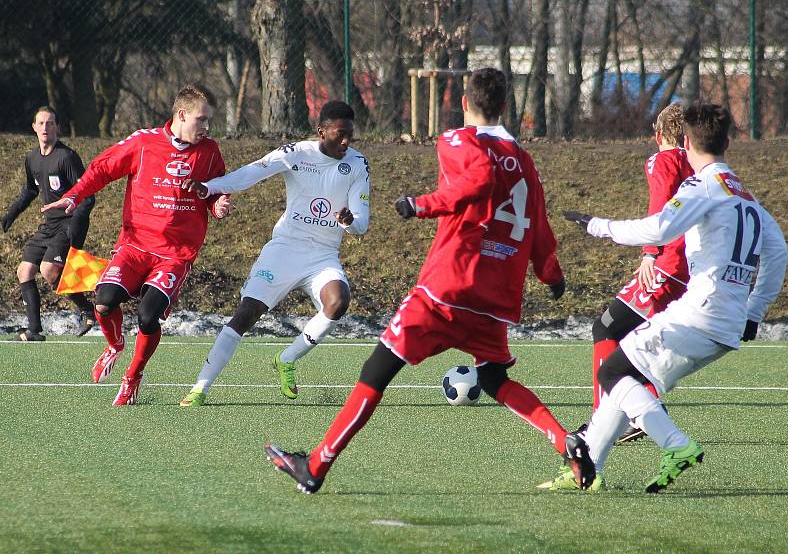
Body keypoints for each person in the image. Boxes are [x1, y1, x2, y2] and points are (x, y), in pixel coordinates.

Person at [264, 67, 588, 495]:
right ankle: (565, 443)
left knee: (377, 369)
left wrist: (421, 205)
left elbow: (476, 184)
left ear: (465, 103)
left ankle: (317, 466)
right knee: (493, 379)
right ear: (506, 106)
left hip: (448, 287)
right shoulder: (526, 163)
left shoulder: (458, 140)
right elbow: (538, 225)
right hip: (495, 295)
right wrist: (551, 274)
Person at [552, 101, 787, 492]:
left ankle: (676, 445)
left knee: (612, 371)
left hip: (701, 311)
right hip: (727, 321)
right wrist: (754, 312)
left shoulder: (704, 185)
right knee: (624, 377)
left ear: (687, 144)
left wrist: (597, 226)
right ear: (727, 141)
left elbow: (659, 228)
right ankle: (588, 469)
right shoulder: (742, 192)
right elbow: (777, 251)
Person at [41, 84, 230, 406]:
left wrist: (217, 205)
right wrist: (73, 196)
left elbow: (214, 188)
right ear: (182, 115)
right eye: (202, 119)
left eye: (209, 120)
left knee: (147, 315)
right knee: (104, 301)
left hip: (175, 254)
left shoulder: (209, 151)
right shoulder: (144, 142)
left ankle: (133, 377)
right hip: (136, 245)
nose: (207, 127)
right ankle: (114, 345)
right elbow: (102, 169)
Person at [179, 100, 370, 407]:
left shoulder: (357, 164)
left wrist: (350, 222)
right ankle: (200, 387)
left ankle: (286, 359)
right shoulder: (295, 154)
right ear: (321, 131)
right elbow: (250, 173)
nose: (346, 141)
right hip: (285, 249)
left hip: (323, 255)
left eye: (350, 134)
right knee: (247, 313)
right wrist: (210, 187)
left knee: (338, 301)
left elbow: (362, 223)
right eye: (339, 134)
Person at [589, 103, 693, 444]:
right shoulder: (702, 164)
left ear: (658, 135)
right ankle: (643, 409)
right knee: (632, 337)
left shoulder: (662, 160)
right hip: (695, 268)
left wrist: (649, 253)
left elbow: (661, 206)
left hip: (669, 263)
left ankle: (609, 415)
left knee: (607, 326)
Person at [2, 106, 95, 341]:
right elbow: (30, 190)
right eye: (41, 123)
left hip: (68, 223)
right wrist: (11, 214)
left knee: (48, 270)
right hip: (49, 225)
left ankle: (88, 309)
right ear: (34, 127)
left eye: (51, 123)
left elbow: (87, 196)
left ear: (58, 128)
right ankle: (34, 330)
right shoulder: (32, 158)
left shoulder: (67, 157)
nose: (46, 127)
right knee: (24, 271)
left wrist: (77, 227)